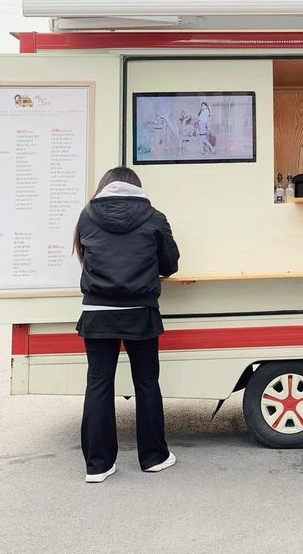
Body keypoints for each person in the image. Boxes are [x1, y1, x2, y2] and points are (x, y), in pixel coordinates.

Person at [73, 166, 180, 482]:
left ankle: (98, 465)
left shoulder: (87, 215)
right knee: (146, 382)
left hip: (96, 311)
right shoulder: (153, 216)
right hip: (139, 310)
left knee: (98, 384)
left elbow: (84, 256)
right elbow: (170, 265)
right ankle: (153, 457)